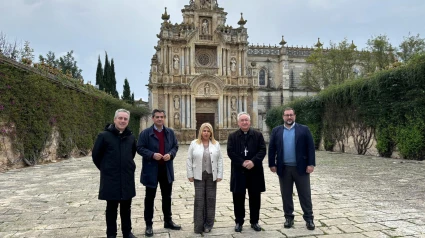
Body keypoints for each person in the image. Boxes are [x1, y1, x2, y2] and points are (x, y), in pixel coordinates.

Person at [268, 107, 316, 230]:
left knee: (305, 194)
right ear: (283, 117)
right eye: (286, 115)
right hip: (284, 169)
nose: (289, 117)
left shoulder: (303, 129)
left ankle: (309, 218)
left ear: (294, 116)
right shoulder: (276, 131)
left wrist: (311, 164)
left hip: (301, 169)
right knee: (286, 195)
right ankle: (289, 218)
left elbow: (310, 147)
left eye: (291, 115)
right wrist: (272, 164)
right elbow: (272, 148)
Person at [92, 109, 137, 238]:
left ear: (128, 121)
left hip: (127, 177)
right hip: (111, 178)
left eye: (125, 119)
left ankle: (127, 232)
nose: (123, 121)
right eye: (120, 118)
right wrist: (106, 169)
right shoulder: (104, 136)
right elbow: (96, 156)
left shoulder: (131, 137)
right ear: (115, 119)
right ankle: (111, 234)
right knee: (111, 208)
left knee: (126, 208)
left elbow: (131, 154)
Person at [137, 109, 181, 237]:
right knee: (149, 198)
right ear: (153, 118)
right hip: (151, 170)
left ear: (165, 118)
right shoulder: (145, 133)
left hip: (166, 169)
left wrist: (171, 154)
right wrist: (152, 155)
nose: (160, 119)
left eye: (162, 117)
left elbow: (175, 146)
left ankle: (168, 221)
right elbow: (139, 148)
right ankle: (149, 224)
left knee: (167, 197)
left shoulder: (170, 133)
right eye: (157, 117)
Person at [227, 112, 266, 232]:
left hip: (255, 171)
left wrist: (253, 162)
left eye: (246, 120)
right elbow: (230, 152)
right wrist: (243, 162)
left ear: (250, 122)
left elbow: (262, 150)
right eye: (242, 120)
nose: (244, 122)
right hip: (239, 171)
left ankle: (255, 221)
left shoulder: (258, 135)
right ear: (238, 122)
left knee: (255, 197)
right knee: (238, 197)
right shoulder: (232, 136)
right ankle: (239, 221)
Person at [186, 122, 223, 234]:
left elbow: (220, 160)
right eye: (204, 130)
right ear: (200, 132)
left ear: (211, 132)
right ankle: (198, 226)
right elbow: (189, 159)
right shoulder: (194, 144)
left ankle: (208, 224)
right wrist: (190, 174)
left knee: (211, 200)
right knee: (199, 200)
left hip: (212, 175)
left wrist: (219, 174)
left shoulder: (216, 144)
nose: (206, 133)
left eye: (208, 131)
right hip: (198, 175)